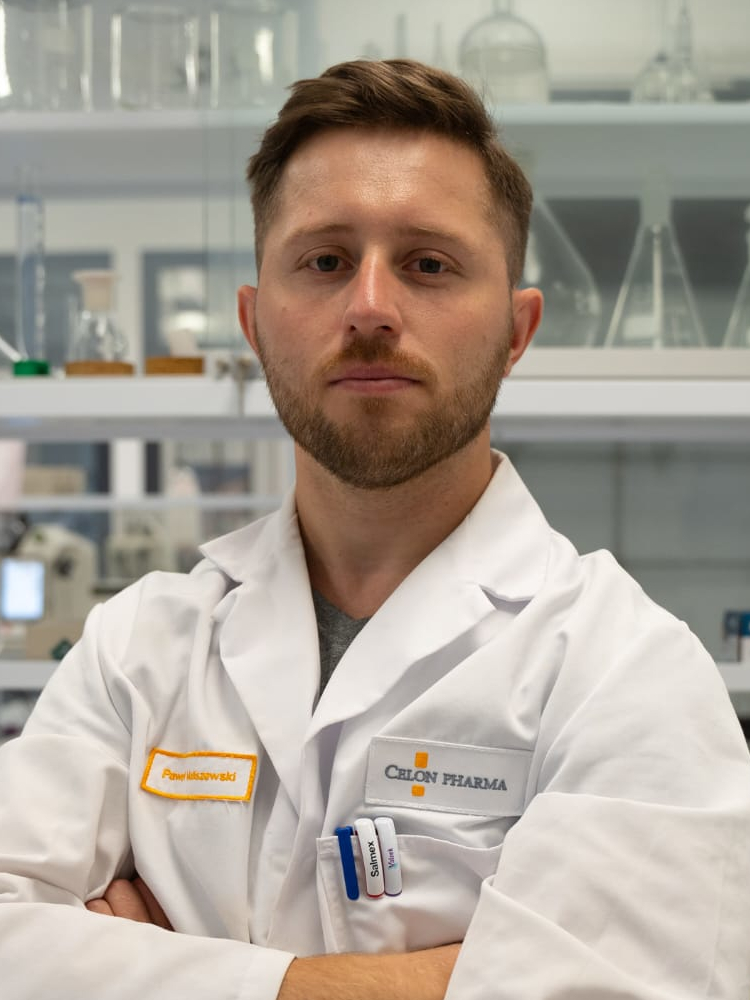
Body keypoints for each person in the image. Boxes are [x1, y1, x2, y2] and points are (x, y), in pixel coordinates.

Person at [1, 58, 749, 1000]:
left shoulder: (624, 671)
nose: (369, 308)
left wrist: (160, 969)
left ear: (516, 334)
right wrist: (428, 977)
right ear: (255, 325)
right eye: (324, 261)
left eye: (429, 264)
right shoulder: (137, 651)